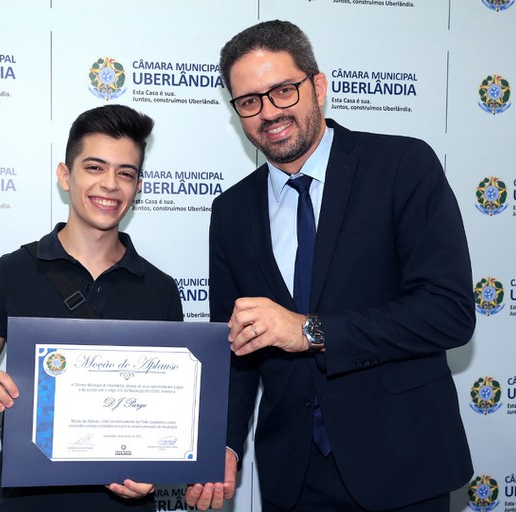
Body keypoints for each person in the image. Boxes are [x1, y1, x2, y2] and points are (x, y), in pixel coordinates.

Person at [186, 20, 474, 512]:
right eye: (249, 101)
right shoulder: (231, 210)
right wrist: (225, 444)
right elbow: (235, 347)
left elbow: (448, 313)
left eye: (283, 90)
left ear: (318, 86)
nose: (268, 112)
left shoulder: (402, 165)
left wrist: (310, 331)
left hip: (403, 463)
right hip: (293, 477)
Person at [0, 104, 183, 511]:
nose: (110, 184)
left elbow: (169, 416)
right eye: (94, 167)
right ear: (65, 176)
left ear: (138, 186)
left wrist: (158, 467)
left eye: (125, 173)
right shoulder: (11, 272)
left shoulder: (161, 289)